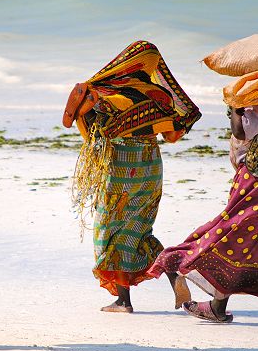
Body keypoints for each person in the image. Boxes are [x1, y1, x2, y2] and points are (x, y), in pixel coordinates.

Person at [148, 100, 258, 327]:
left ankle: (211, 300)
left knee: (229, 238)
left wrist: (235, 108)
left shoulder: (254, 108)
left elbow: (240, 131)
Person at [63, 40, 201, 313]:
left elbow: (71, 120)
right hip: (150, 167)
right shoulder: (158, 96)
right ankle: (174, 275)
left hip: (120, 168)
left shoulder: (103, 93)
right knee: (140, 230)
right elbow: (172, 135)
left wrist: (88, 91)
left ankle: (123, 301)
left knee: (110, 231)